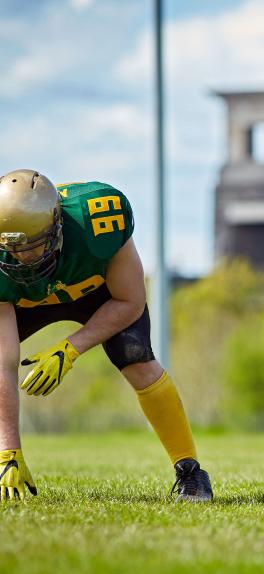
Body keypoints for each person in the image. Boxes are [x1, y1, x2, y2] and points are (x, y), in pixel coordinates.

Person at [0, 169, 211, 502]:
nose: (23, 257)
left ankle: (191, 473)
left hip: (98, 292)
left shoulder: (97, 218)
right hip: (24, 300)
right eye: (15, 249)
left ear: (56, 225)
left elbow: (131, 301)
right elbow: (4, 361)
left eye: (34, 246)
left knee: (137, 360)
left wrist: (70, 349)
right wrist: (8, 451)